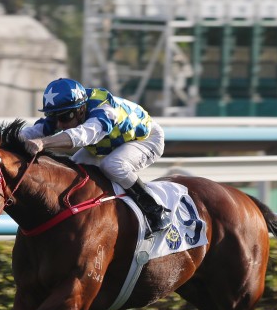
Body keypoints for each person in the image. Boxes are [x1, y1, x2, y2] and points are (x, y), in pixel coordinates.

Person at [22, 78, 171, 237]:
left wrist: (43, 142)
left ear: (80, 110)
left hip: (147, 139)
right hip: (110, 144)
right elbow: (34, 131)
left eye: (64, 117)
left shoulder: (104, 109)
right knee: (72, 169)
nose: (59, 124)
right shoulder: (67, 109)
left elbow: (83, 136)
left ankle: (155, 210)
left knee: (113, 165)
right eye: (53, 117)